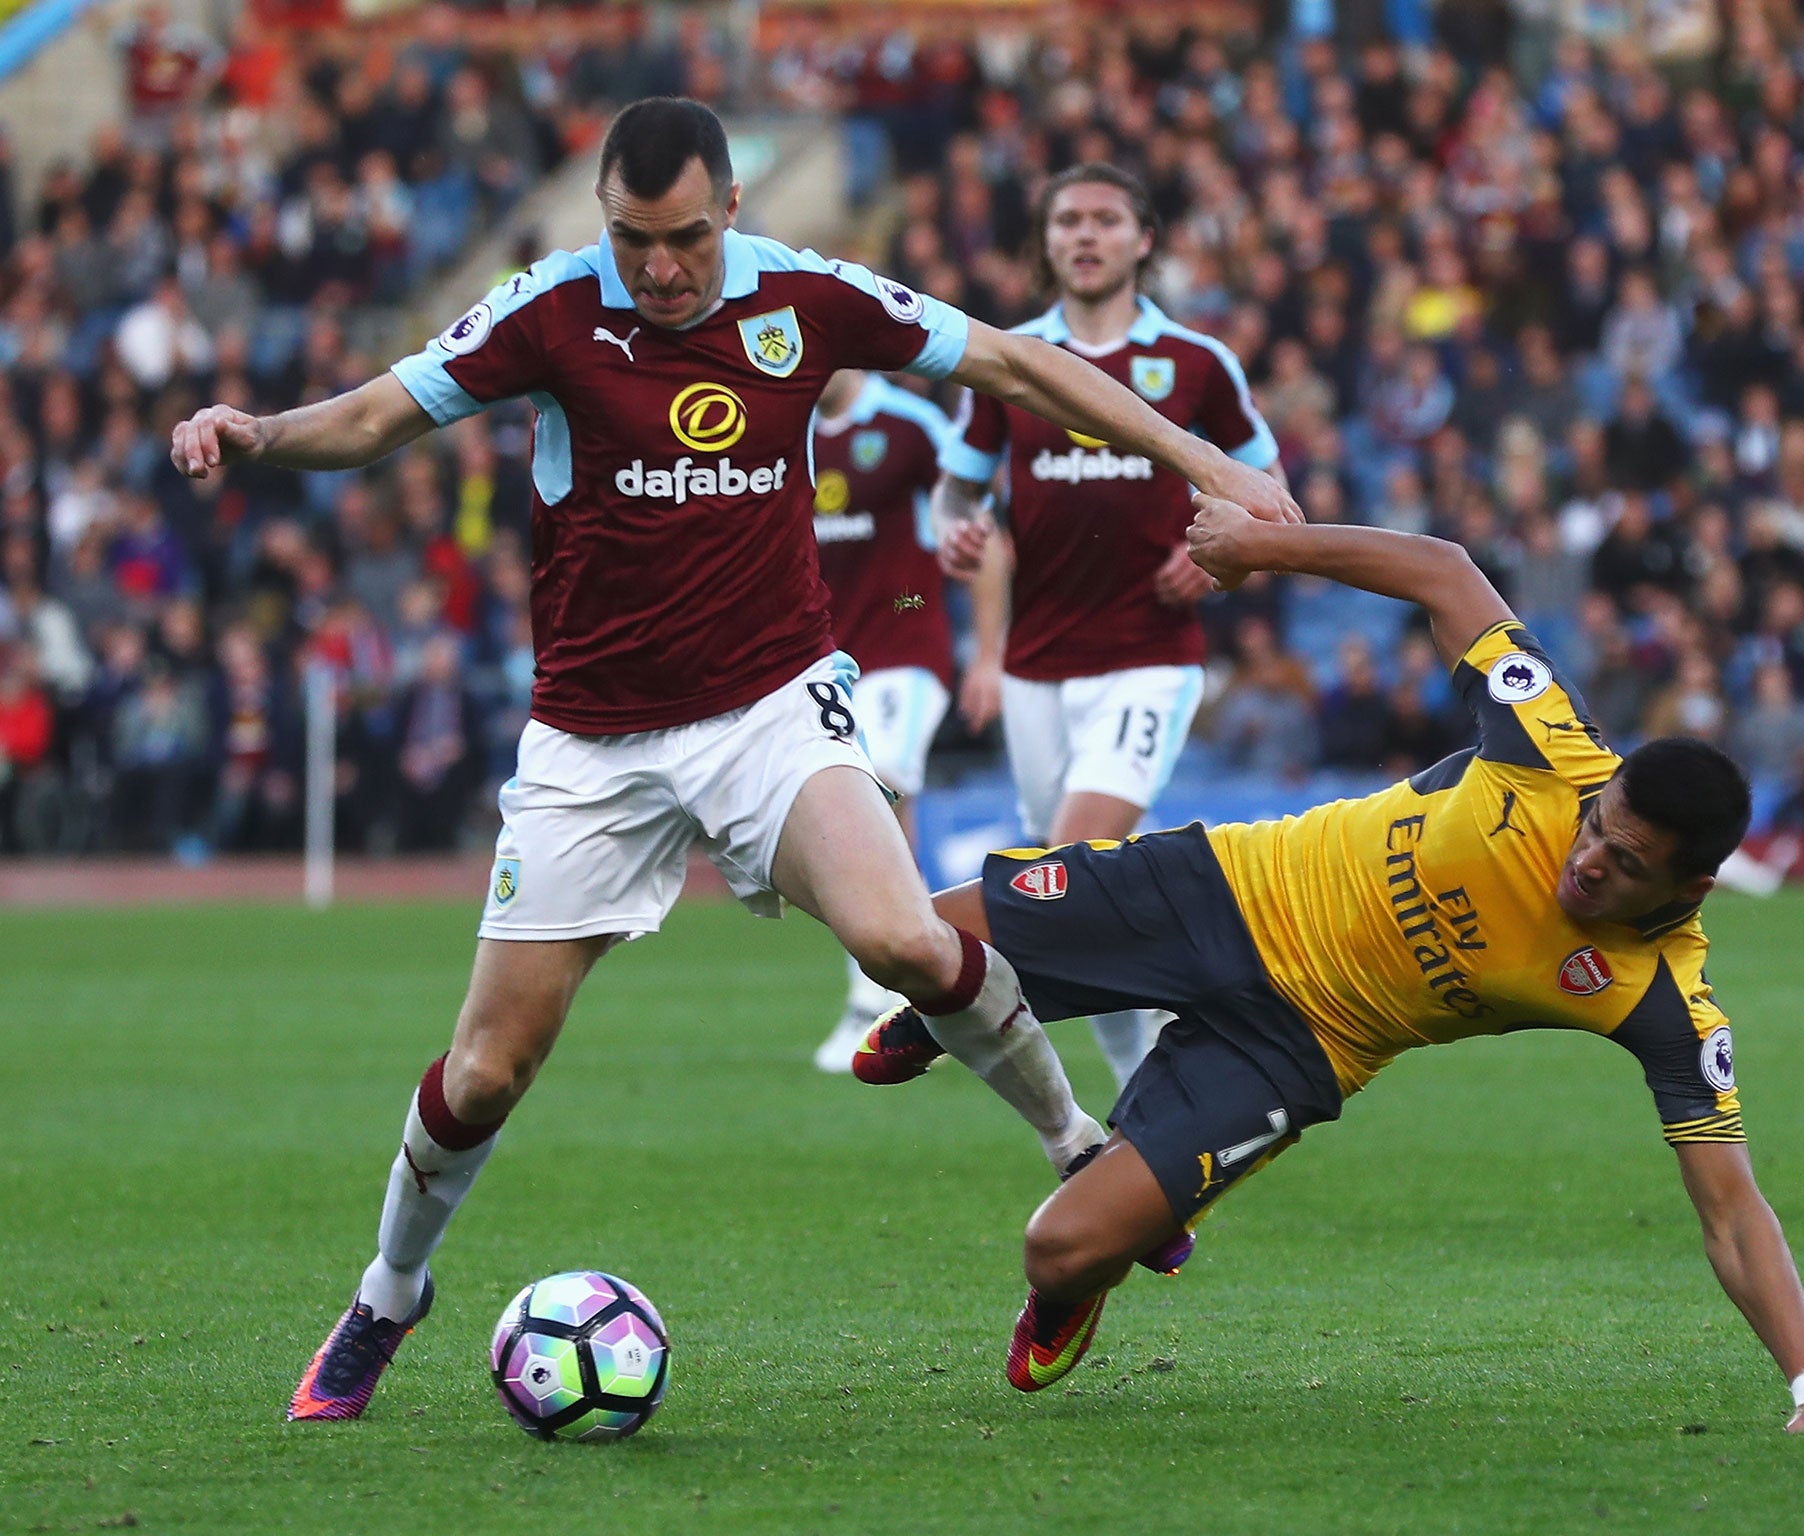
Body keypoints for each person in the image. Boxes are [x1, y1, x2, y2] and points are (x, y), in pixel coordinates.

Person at [167, 98, 1299, 1424]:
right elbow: (374, 418)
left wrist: (1201, 454)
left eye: (686, 239)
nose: (659, 269)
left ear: (733, 214)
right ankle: (386, 1295)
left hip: (771, 707)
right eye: (634, 240)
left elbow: (1015, 367)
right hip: (591, 744)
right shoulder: (545, 310)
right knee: (484, 1073)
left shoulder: (809, 298)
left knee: (910, 942)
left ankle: (1080, 1148)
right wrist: (260, 430)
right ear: (604, 219)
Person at [857, 501, 1804, 1433]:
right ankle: (957, 1005)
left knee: (1060, 1248)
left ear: (1689, 890)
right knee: (907, 934)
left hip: (1296, 1048)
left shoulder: (1663, 999)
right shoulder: (1552, 746)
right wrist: (1263, 550)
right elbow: (1442, 567)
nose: (1586, 862)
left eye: (1623, 867)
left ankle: (1088, 1234)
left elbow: (1731, 1209)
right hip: (1218, 887)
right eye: (1595, 830)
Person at [932, 162, 1283, 1090]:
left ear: (1143, 240)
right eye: (1067, 221)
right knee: (1076, 898)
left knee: (1071, 868)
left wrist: (1222, 558)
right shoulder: (1007, 361)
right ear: (1046, 243)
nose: (1085, 235)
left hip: (1149, 657)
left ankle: (1201, 1029)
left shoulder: (1199, 365)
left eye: (1104, 219)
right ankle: (1151, 1075)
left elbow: (1269, 497)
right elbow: (956, 489)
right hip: (1035, 668)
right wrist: (953, 530)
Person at [806, 367, 958, 1071]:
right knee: (846, 822)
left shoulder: (910, 425)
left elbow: (975, 519)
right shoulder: (791, 432)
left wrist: (987, 649)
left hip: (906, 642)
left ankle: (882, 997)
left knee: (881, 785)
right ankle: (925, 983)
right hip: (825, 661)